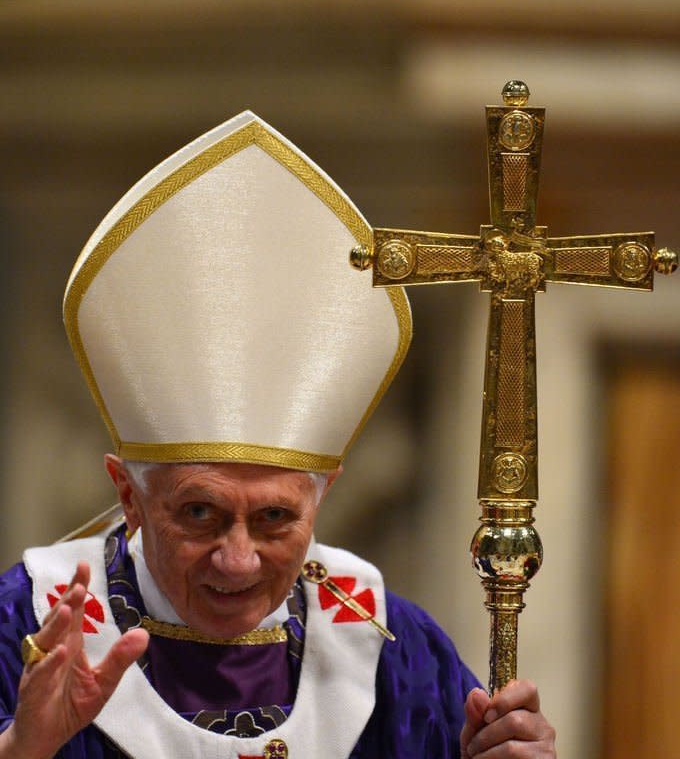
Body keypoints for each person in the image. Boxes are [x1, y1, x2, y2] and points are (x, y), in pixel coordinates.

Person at [0, 111, 556, 758]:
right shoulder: (26, 624)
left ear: (322, 499)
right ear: (127, 494)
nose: (237, 559)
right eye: (200, 513)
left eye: (273, 518)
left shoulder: (395, 651)